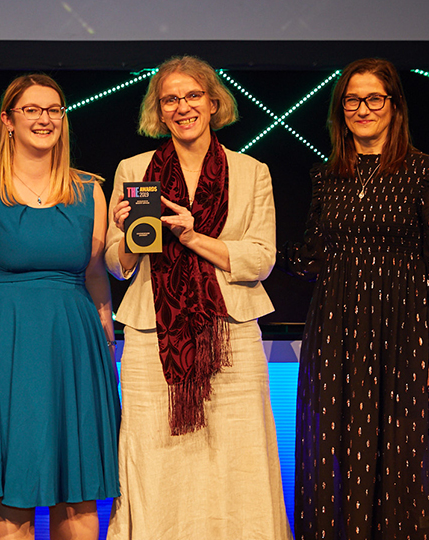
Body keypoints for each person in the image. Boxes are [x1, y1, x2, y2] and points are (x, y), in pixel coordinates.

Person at [282, 58, 429, 540]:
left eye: (373, 99)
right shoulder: (327, 178)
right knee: (332, 453)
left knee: (404, 457)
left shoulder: (426, 174)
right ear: (339, 109)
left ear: (394, 106)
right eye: (352, 99)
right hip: (334, 333)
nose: (362, 108)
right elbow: (309, 259)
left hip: (403, 334)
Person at [104, 56, 291, 540]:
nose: (183, 107)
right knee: (153, 453)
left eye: (192, 96)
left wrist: (192, 236)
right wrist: (127, 233)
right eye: (171, 99)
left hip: (229, 333)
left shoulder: (252, 171)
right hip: (151, 336)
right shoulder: (134, 168)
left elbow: (261, 258)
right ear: (158, 111)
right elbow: (115, 265)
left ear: (213, 102)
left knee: (239, 456)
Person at [0, 74, 121, 540]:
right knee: (11, 495)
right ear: (7, 121)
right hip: (0, 349)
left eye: (54, 109)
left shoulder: (90, 190)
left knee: (79, 489)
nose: (45, 118)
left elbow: (96, 274)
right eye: (32, 110)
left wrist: (106, 344)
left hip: (73, 348)